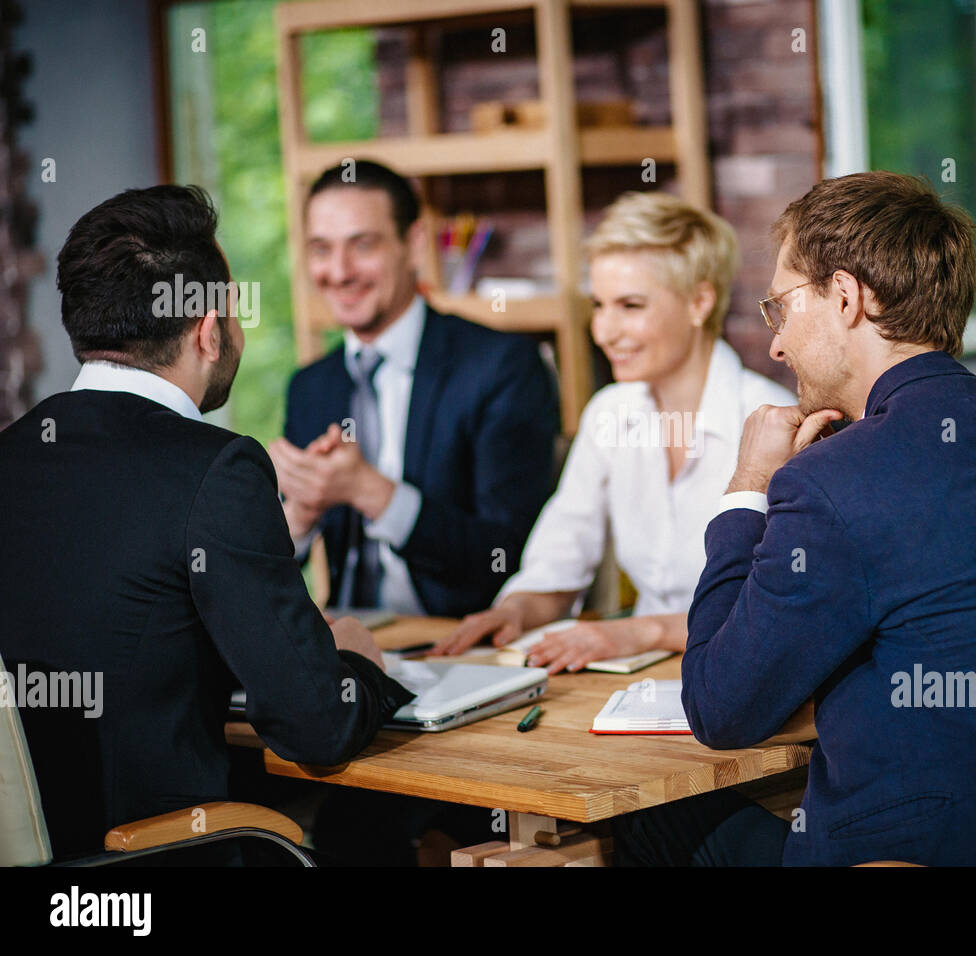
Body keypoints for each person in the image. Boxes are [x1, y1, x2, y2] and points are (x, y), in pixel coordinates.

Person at [615, 171, 976, 867]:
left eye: (781, 309)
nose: (775, 346)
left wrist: (749, 488)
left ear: (845, 297)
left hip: (911, 853)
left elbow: (717, 708)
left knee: (650, 819)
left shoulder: (830, 479)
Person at [0, 185, 411, 863]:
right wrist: (357, 665)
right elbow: (317, 728)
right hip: (156, 859)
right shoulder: (216, 468)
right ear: (209, 330)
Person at [436, 191, 794, 671]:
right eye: (598, 305)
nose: (604, 331)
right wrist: (512, 612)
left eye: (630, 305)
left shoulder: (772, 419)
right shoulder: (609, 413)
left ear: (699, 302)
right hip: (637, 677)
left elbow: (784, 609)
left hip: (742, 677)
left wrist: (644, 629)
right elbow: (560, 559)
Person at [269, 160, 558, 616]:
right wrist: (299, 515)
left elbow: (507, 554)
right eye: (321, 249)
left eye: (362, 245)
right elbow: (273, 571)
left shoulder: (502, 367)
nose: (339, 272)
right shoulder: (311, 385)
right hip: (347, 645)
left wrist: (373, 493)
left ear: (414, 243)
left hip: (465, 645)